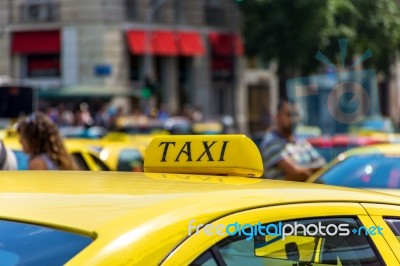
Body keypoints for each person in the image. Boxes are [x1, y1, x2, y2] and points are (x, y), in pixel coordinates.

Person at [261, 99, 325, 181]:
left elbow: (322, 164)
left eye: (296, 115)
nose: (293, 119)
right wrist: (312, 170)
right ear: (277, 117)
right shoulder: (271, 142)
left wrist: (302, 169)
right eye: (289, 115)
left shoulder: (300, 141)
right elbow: (297, 173)